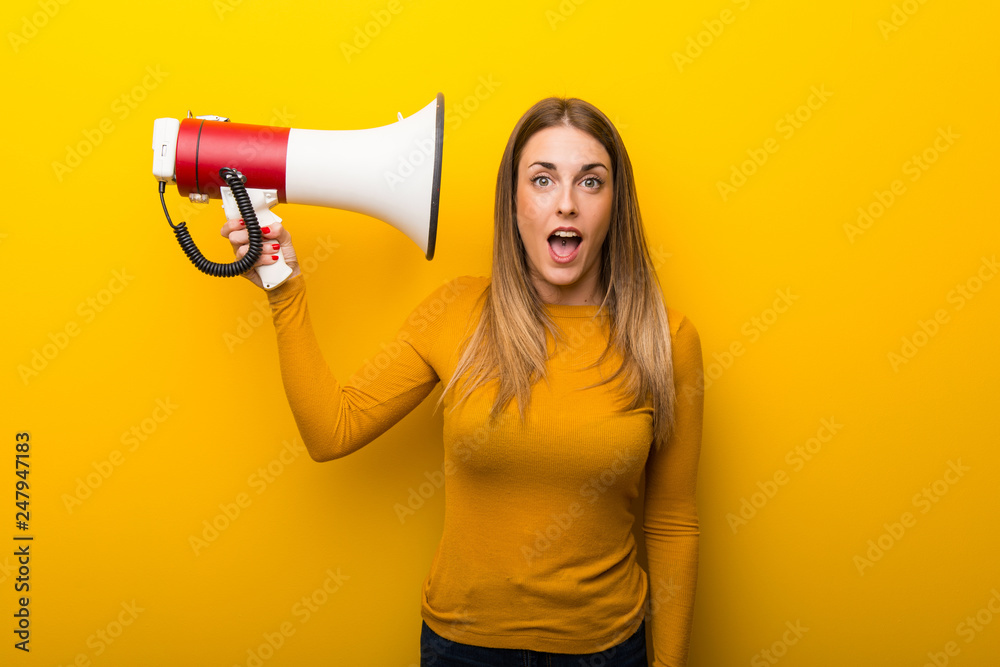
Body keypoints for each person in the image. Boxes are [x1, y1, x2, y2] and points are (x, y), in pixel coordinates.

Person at [220, 97, 704, 667]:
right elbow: (332, 431)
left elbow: (673, 523)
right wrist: (284, 287)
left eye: (591, 182)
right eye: (542, 179)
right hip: (461, 649)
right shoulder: (456, 312)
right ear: (514, 201)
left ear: (615, 204)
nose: (566, 204)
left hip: (606, 651)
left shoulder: (664, 338)